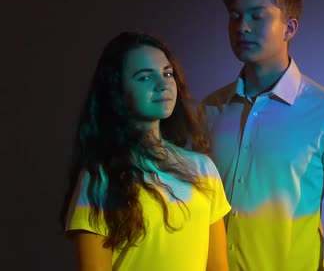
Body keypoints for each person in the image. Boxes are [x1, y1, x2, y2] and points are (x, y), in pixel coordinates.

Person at [202, 0, 324, 271]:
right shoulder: (209, 111)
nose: (242, 28)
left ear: (290, 28)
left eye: (257, 16)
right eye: (235, 16)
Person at [60, 31, 231, 271]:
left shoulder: (203, 169)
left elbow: (217, 267)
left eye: (167, 73)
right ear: (116, 90)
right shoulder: (100, 178)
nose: (162, 84)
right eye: (144, 77)